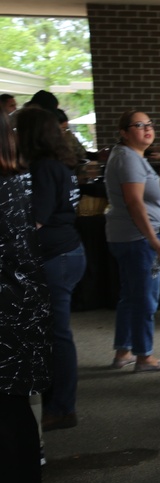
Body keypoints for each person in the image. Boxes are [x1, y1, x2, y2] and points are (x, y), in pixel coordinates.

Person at [0, 110, 51, 483]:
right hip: (16, 314)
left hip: (7, 315)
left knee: (9, 421)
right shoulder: (15, 182)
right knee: (14, 417)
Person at [15, 109, 86, 431]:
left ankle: (61, 407)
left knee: (56, 335)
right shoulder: (60, 164)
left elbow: (36, 219)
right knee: (55, 332)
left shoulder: (43, 167)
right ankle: (59, 403)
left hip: (55, 256)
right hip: (68, 252)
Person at [104, 110, 160, 373]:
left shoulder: (130, 156)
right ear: (124, 132)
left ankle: (123, 352)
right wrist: (154, 240)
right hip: (137, 240)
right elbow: (134, 203)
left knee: (131, 297)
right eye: (138, 125)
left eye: (149, 124)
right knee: (145, 299)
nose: (147, 129)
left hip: (129, 238)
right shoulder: (128, 159)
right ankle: (144, 356)